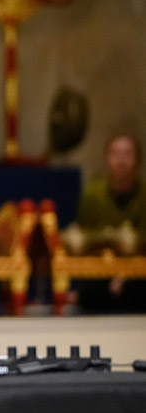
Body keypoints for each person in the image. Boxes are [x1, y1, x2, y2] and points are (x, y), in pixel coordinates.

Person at [75, 133, 146, 312]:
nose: (121, 161)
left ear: (138, 160)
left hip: (139, 274)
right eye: (115, 154)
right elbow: (83, 241)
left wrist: (124, 274)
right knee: (90, 291)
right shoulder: (92, 196)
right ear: (107, 159)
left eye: (127, 154)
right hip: (100, 274)